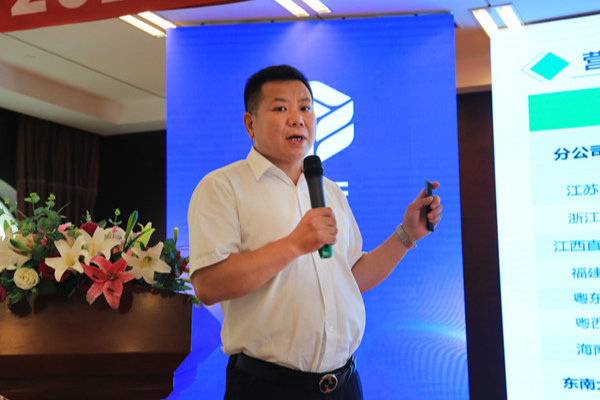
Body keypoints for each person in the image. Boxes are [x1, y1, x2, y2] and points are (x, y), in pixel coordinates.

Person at [188, 65, 442, 400]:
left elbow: (351, 277)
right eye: (281, 108)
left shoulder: (329, 190)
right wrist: (294, 244)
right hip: (267, 388)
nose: (297, 119)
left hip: (344, 384)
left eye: (305, 108)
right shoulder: (223, 187)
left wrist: (406, 235)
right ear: (250, 123)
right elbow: (208, 286)